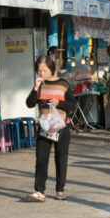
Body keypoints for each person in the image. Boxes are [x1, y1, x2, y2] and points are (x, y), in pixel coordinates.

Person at [26, 55, 76, 201]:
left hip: (61, 127)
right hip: (44, 127)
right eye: (39, 71)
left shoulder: (63, 84)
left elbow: (72, 105)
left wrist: (58, 103)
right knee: (41, 159)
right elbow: (29, 103)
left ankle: (60, 190)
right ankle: (39, 191)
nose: (42, 74)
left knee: (61, 159)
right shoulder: (39, 85)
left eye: (44, 70)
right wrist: (35, 89)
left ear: (52, 68)